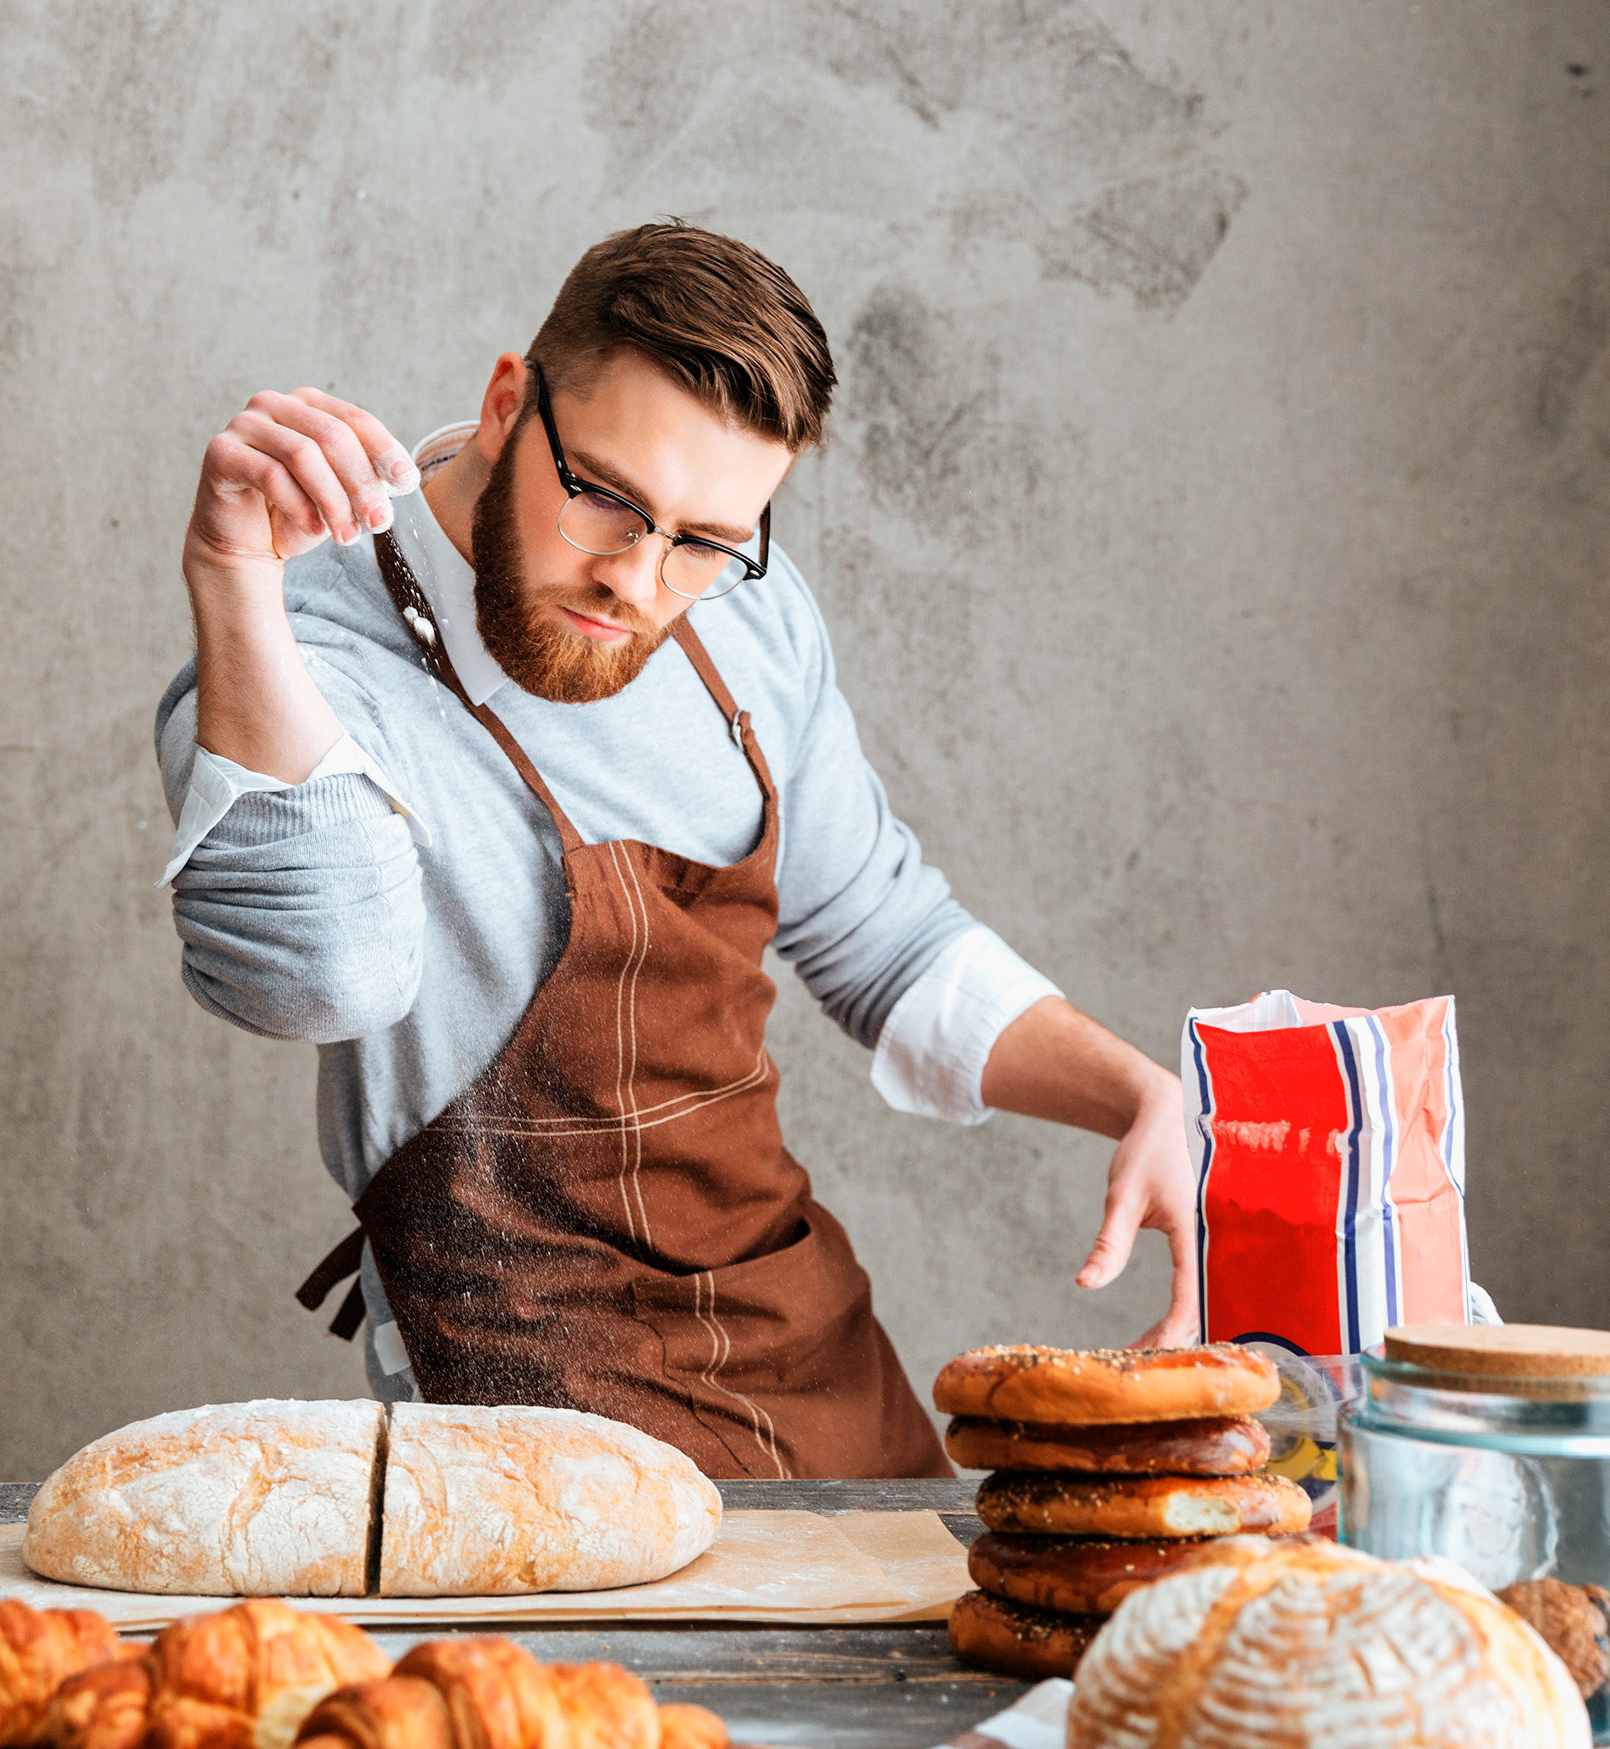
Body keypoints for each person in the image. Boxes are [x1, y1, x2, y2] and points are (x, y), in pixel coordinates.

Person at [153, 222, 1195, 1478]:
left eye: (705, 539)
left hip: (795, 1329)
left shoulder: (748, 609)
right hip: (532, 1392)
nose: (638, 581)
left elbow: (880, 935)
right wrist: (228, 578)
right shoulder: (300, 664)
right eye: (606, 498)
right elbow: (315, 981)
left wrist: (1143, 1095)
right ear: (505, 406)